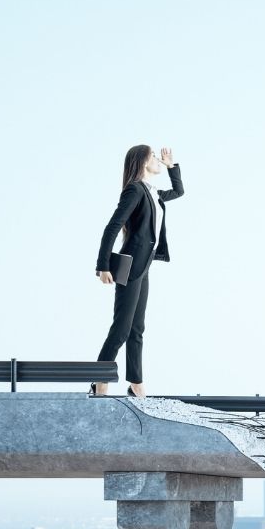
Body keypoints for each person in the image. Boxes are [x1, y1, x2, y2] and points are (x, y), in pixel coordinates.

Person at [91, 145, 184, 397]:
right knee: (121, 328)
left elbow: (179, 191)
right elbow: (113, 226)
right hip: (130, 266)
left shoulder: (153, 193)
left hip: (143, 267)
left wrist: (171, 166)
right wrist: (103, 265)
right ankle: (99, 381)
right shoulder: (135, 189)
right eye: (153, 156)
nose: (157, 159)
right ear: (143, 162)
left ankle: (136, 383)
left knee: (136, 329)